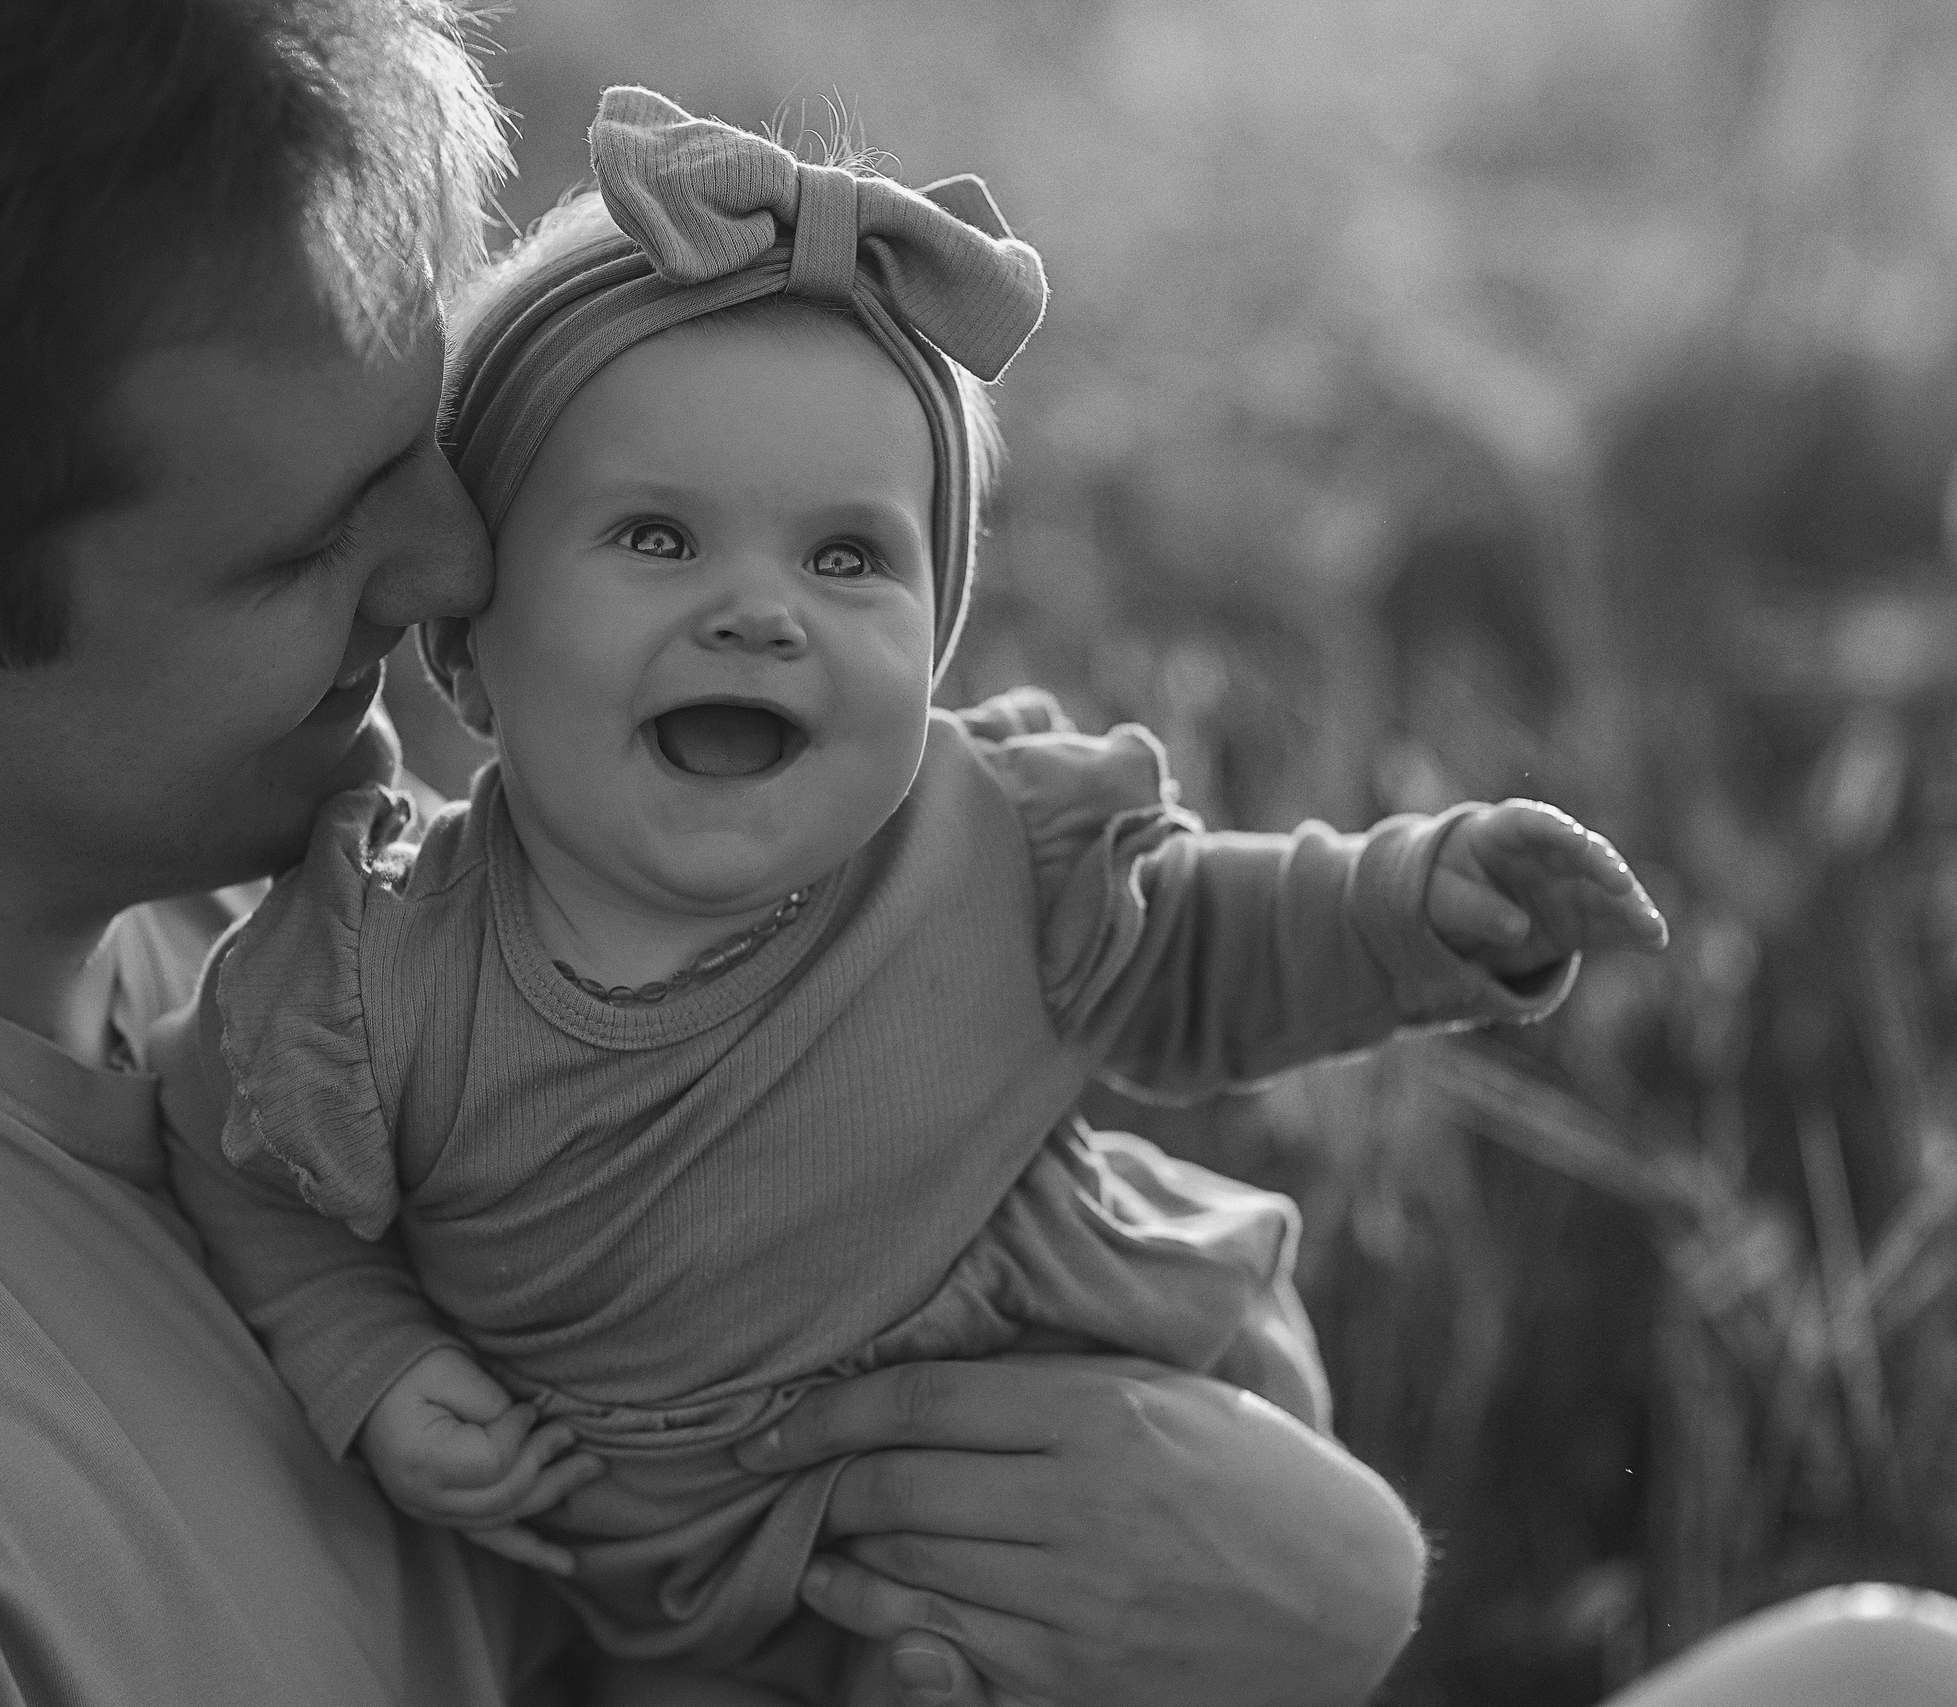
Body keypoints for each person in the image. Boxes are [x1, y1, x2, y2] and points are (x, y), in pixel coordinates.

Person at [0, 4, 1442, 1705]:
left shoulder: (317, 903)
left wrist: (1259, 1545)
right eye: (304, 544)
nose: (458, 566)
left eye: (431, 450)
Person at [153, 87, 1668, 1704]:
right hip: (706, 1609)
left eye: (849, 560)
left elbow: (1209, 946)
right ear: (468, 643)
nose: (760, 614)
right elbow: (231, 1150)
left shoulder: (993, 847)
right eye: (657, 537)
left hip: (1121, 1435)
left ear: (937, 642)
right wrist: (369, 1360)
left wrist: (1416, 905)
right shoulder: (384, 975)